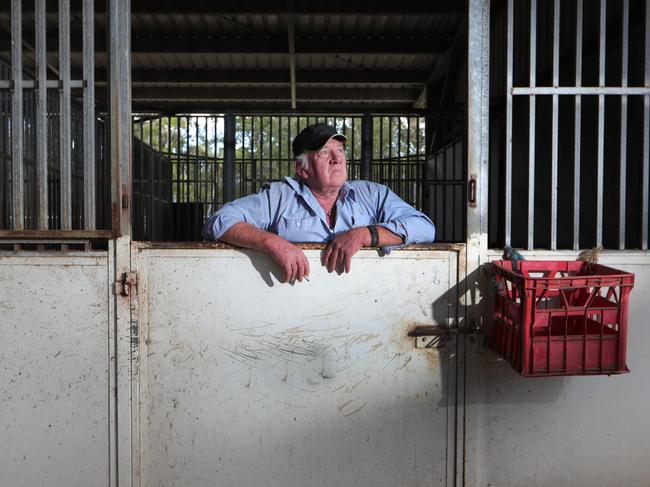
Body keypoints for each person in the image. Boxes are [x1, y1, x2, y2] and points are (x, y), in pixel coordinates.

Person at [202, 123, 436, 282]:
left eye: (341, 150)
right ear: (302, 168)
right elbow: (218, 221)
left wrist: (366, 234)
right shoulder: (279, 196)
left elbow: (425, 227)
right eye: (324, 152)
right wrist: (274, 243)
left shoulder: (372, 194)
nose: (337, 159)